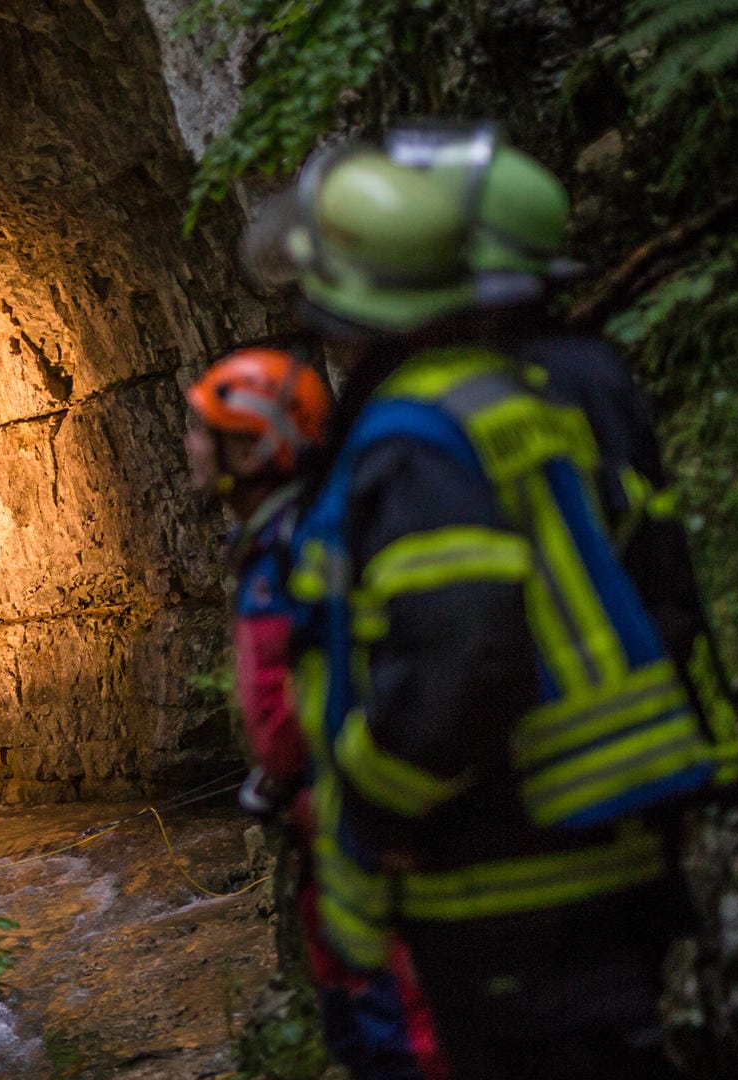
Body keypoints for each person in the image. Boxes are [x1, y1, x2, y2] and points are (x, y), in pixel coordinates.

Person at [273, 144, 738, 1080]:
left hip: (504, 874)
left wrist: (372, 798)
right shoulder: (517, 396)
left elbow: (463, 656)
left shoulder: (419, 435)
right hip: (602, 833)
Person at [185, 348, 445, 1080]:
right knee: (363, 1025)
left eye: (203, 431)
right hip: (328, 833)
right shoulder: (285, 534)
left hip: (358, 827)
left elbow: (297, 705)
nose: (190, 446)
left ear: (250, 445)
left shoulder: (296, 545)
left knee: (402, 1033)